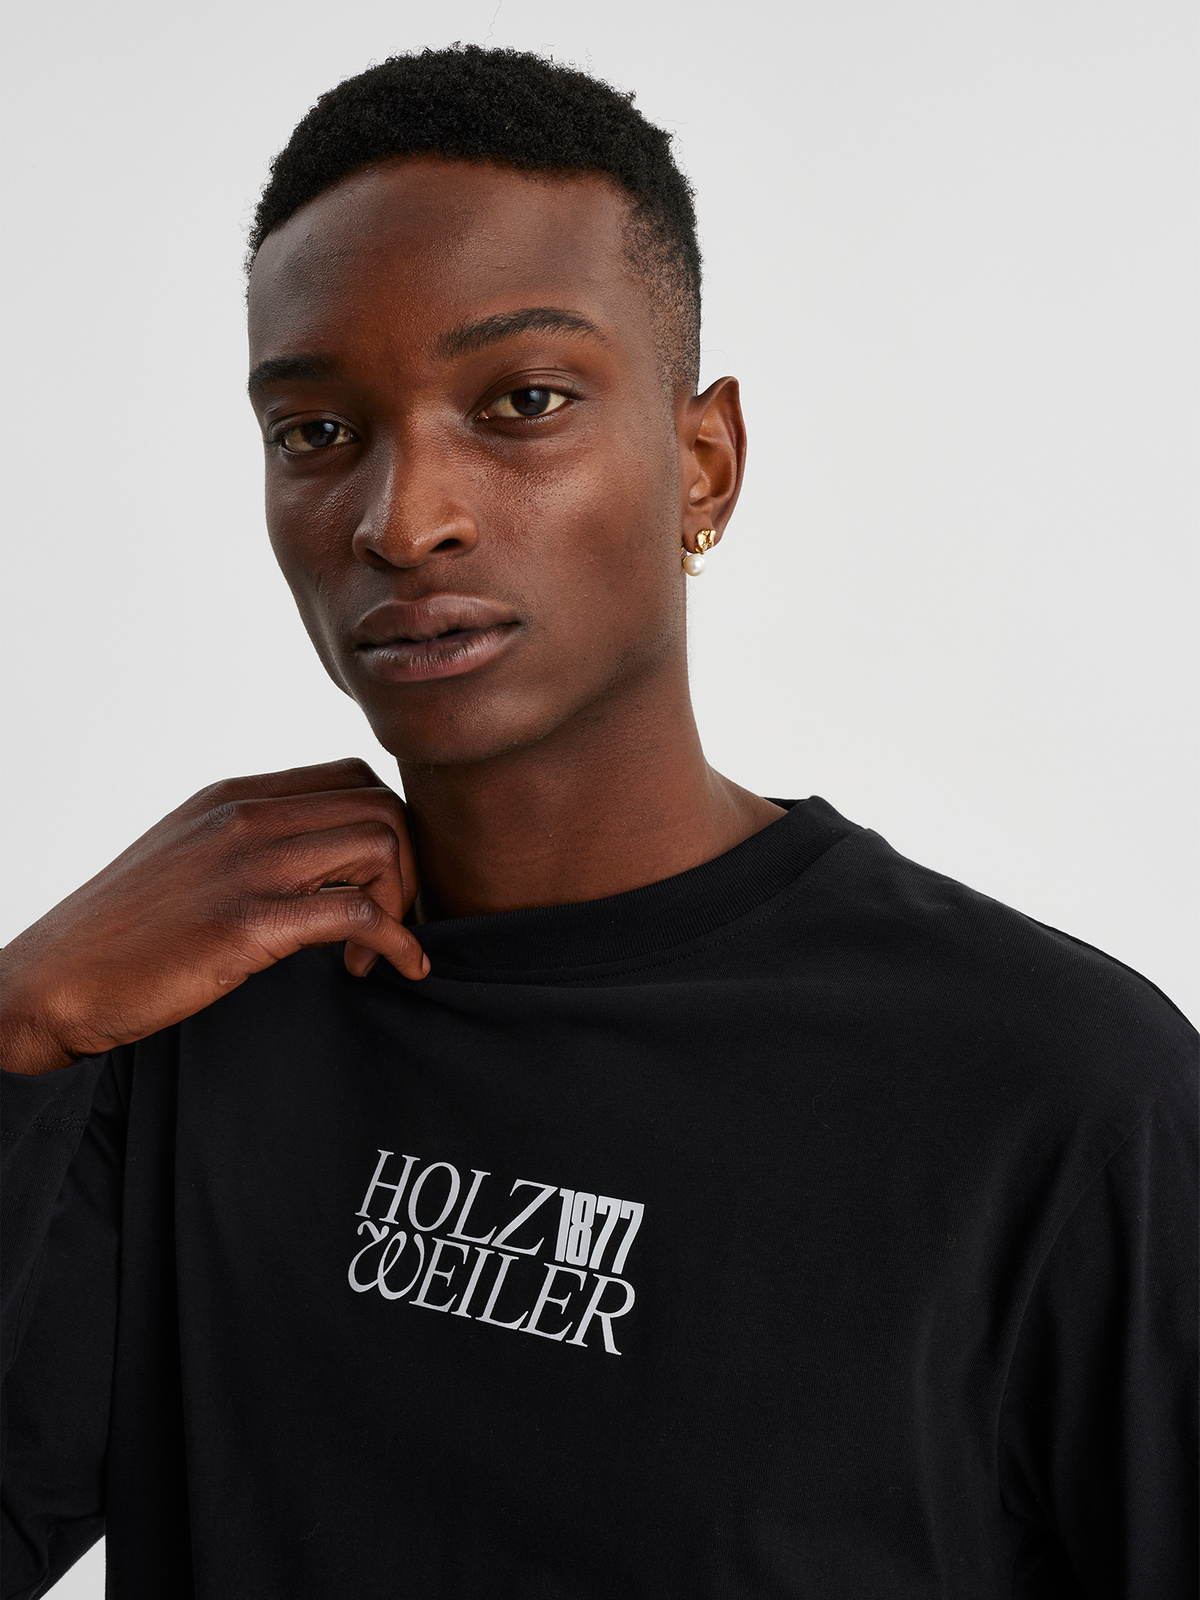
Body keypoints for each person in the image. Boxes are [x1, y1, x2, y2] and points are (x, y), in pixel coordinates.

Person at [1, 44, 1195, 1600]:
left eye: (523, 402)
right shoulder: (185, 1037)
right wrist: (20, 1017)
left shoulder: (1060, 1095)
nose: (402, 518)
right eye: (315, 433)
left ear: (704, 463)